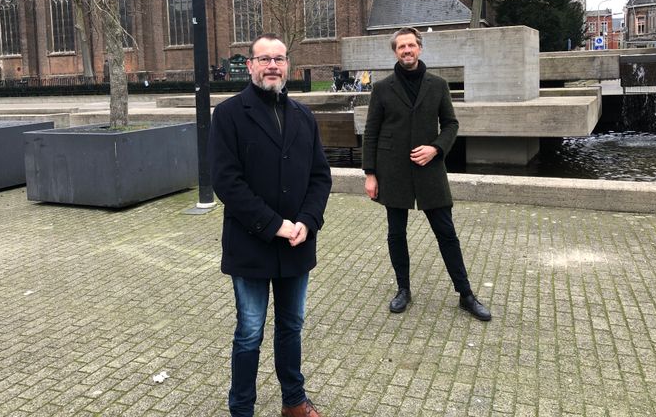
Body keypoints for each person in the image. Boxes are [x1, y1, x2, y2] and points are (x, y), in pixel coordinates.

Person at [209, 34, 332, 417]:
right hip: (252, 244)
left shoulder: (303, 116)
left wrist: (308, 223)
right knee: (249, 332)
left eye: (279, 59)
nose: (273, 66)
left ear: (288, 65)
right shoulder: (228, 114)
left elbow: (319, 177)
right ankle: (241, 408)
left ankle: (293, 401)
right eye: (264, 59)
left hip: (297, 244)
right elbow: (227, 182)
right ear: (249, 66)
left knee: (291, 327)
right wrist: (275, 224)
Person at [362, 27, 491, 322]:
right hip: (392, 169)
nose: (406, 51)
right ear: (395, 52)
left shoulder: (438, 85)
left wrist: (436, 149)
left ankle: (466, 294)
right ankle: (403, 290)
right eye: (401, 47)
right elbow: (371, 132)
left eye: (411, 45)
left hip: (429, 168)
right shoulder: (382, 88)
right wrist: (370, 173)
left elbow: (451, 124)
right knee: (396, 233)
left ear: (420, 48)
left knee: (446, 233)